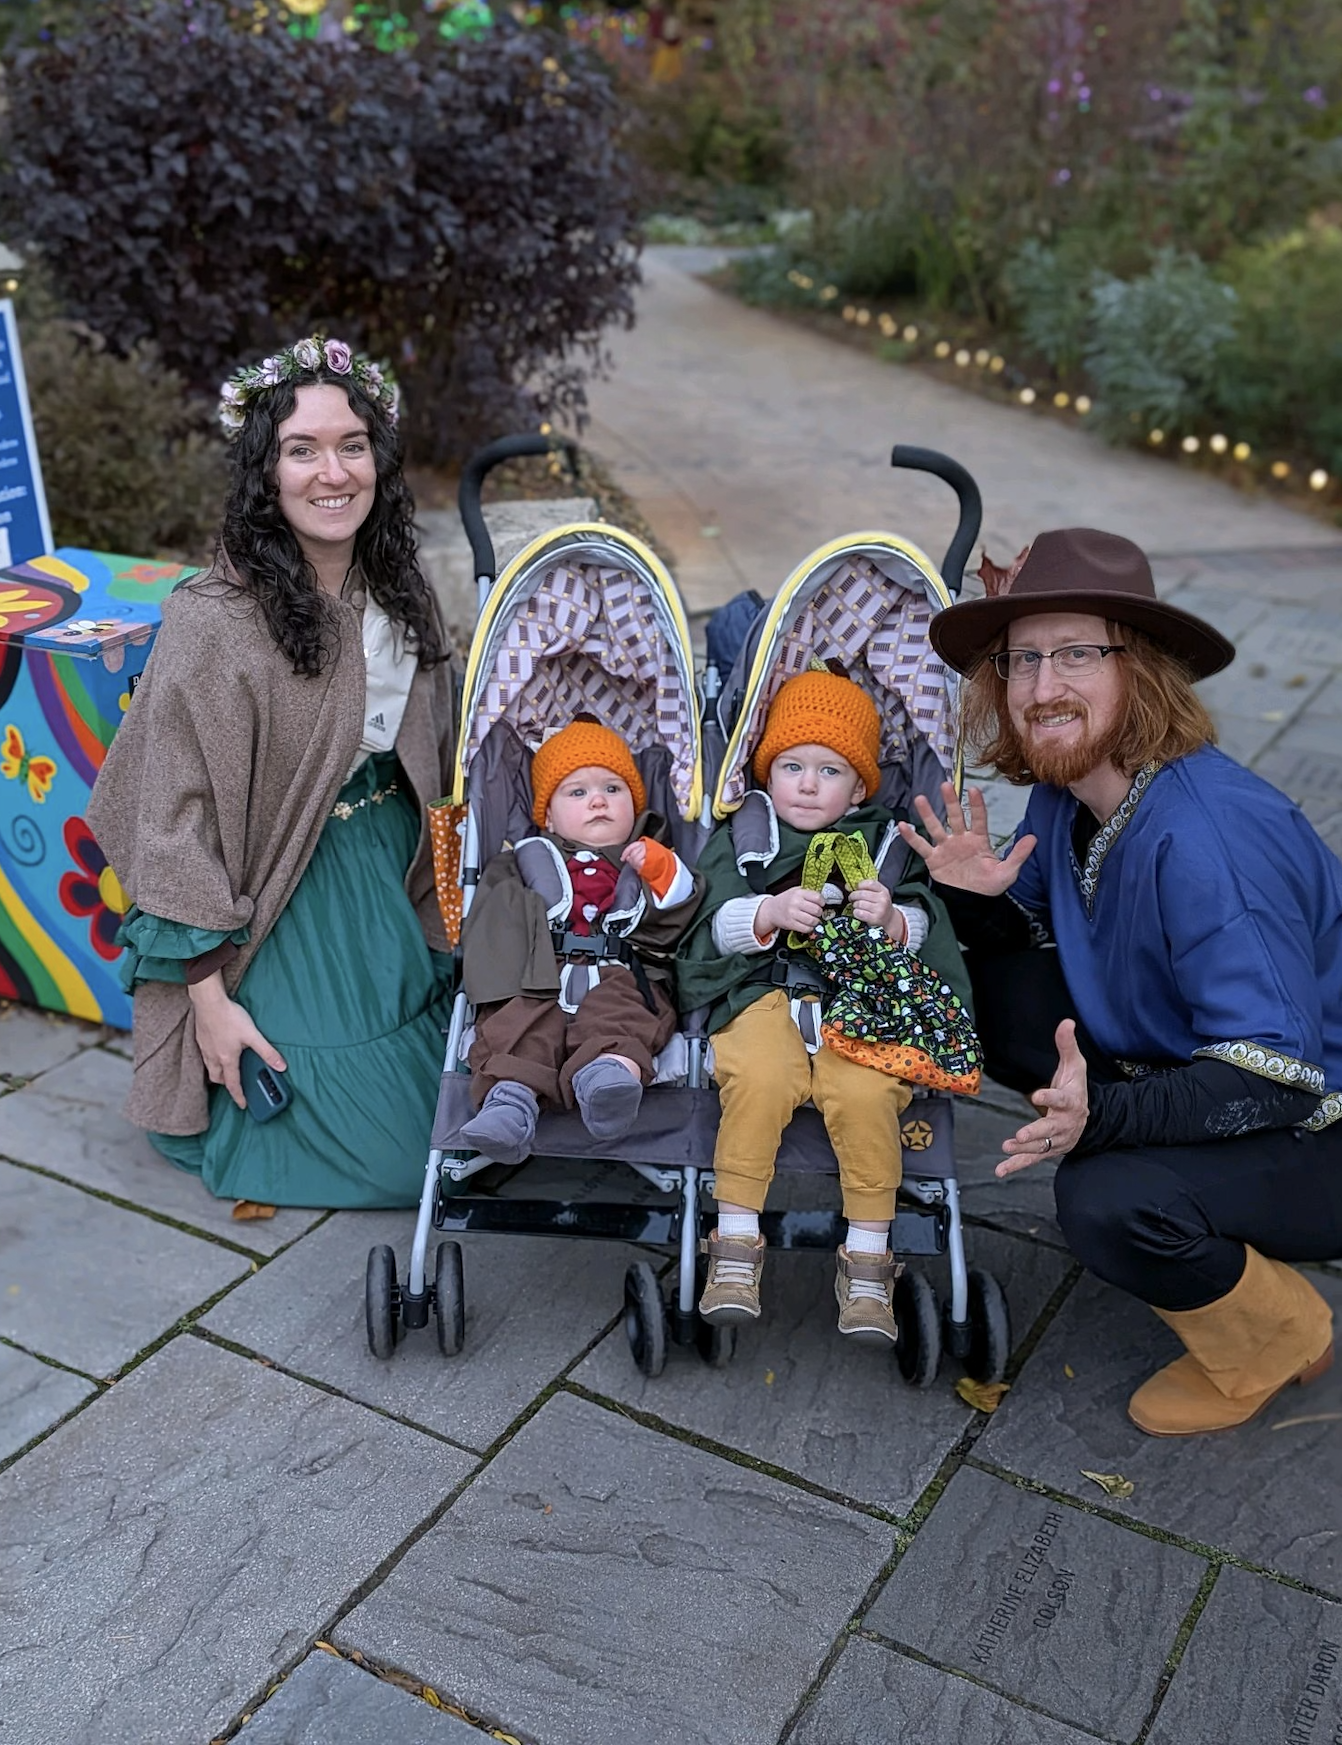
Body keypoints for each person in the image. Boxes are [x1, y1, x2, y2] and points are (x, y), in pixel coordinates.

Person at [901, 526, 1342, 1434]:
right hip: (1191, 1053)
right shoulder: (1077, 786)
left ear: (1139, 669)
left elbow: (1278, 1075)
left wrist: (1106, 1121)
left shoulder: (1210, 843)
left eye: (1075, 654)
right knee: (988, 990)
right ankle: (1157, 1159)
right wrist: (975, 899)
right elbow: (1029, 933)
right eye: (1022, 660)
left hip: (1315, 1119)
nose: (1042, 688)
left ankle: (1279, 1336)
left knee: (1105, 1202)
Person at [87, 335, 458, 1210]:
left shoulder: (402, 585)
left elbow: (435, 751)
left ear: (379, 458)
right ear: (266, 470)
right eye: (302, 450)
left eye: (352, 446)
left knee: (469, 1110)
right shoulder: (212, 620)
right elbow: (169, 821)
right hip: (278, 886)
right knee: (403, 1162)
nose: (332, 473)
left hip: (389, 861)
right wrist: (207, 998)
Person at [677, 671, 972, 1346]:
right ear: (767, 772)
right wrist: (767, 913)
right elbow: (709, 925)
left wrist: (893, 919)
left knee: (868, 1091)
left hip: (858, 1001)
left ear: (861, 786)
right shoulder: (747, 835)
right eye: (792, 766)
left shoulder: (888, 846)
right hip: (764, 990)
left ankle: (868, 1255)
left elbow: (928, 923)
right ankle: (736, 1242)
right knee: (757, 1076)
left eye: (829, 770)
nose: (807, 784)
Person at [459, 717, 702, 1153]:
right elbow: (491, 922)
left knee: (624, 1018)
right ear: (548, 815)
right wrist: (507, 979)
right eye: (578, 792)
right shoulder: (523, 861)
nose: (598, 801)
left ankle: (608, 1079)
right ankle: (510, 1104)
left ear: (634, 804)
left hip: (621, 971)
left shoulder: (652, 856)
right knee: (519, 1023)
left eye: (613, 789)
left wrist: (660, 869)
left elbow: (679, 915)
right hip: (538, 973)